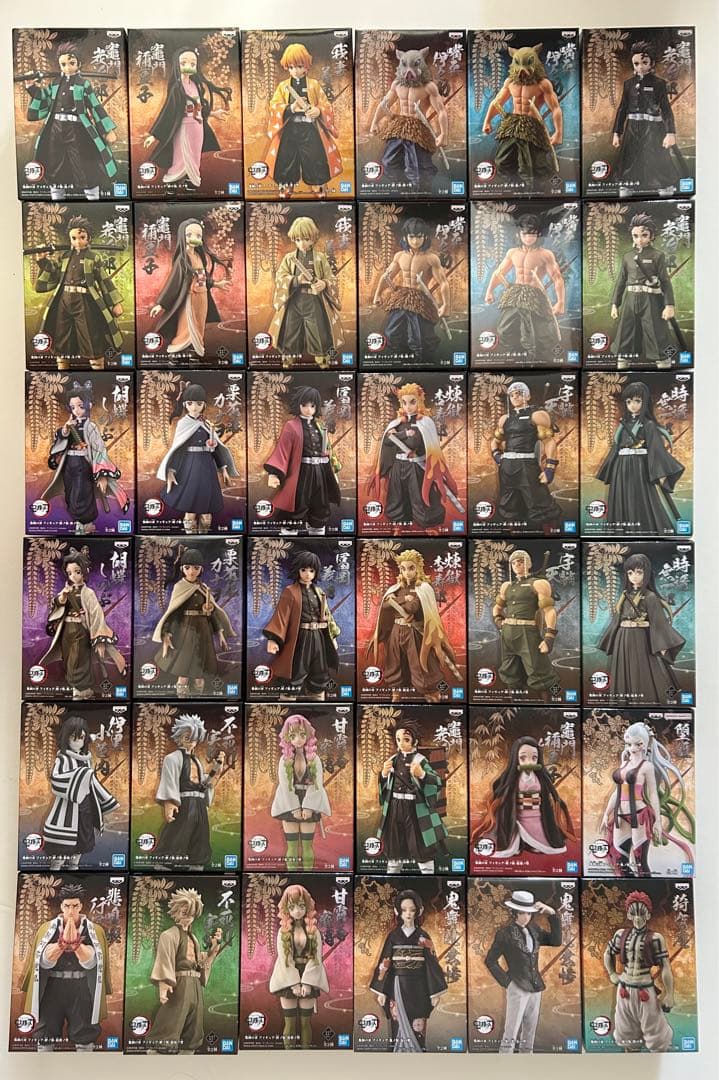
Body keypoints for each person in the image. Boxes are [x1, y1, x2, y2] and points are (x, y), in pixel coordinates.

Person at [20, 882, 112, 1051]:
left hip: (81, 987)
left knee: (84, 1032)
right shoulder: (47, 929)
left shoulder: (94, 930)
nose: (71, 911)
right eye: (67, 906)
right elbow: (43, 961)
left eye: (75, 906)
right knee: (45, 1032)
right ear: (62, 906)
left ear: (81, 906)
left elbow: (92, 962)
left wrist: (77, 945)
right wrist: (60, 945)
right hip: (52, 987)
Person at [25, 40, 118, 200]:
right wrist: (31, 86)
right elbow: (43, 97)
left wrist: (108, 130)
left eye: (71, 63)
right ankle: (56, 198)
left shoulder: (83, 84)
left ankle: (93, 198)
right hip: (55, 128)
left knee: (83, 164)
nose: (67, 68)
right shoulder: (55, 83)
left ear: (79, 64)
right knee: (54, 163)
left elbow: (95, 107)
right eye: (63, 64)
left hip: (77, 130)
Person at [600, 721, 694, 876]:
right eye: (629, 744)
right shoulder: (624, 764)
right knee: (619, 861)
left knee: (640, 862)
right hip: (620, 815)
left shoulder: (647, 767)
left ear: (645, 744)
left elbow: (652, 794)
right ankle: (628, 887)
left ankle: (646, 886)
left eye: (638, 744)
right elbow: (617, 792)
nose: (632, 748)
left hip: (640, 815)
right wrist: (606, 813)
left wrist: (657, 821)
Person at [34, 215, 124, 371]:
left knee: (90, 335)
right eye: (74, 238)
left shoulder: (93, 258)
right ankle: (63, 370)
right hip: (63, 300)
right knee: (61, 335)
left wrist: (115, 303)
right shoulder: (64, 256)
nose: (77, 242)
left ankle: (98, 371)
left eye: (82, 237)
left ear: (89, 238)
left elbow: (104, 280)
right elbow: (54, 273)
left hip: (85, 301)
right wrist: (42, 260)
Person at [368, 548, 459, 701]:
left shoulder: (424, 588)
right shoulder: (396, 588)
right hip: (396, 630)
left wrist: (396, 601)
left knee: (419, 662)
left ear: (418, 568)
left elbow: (412, 608)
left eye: (411, 568)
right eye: (403, 569)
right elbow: (385, 605)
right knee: (394, 662)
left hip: (414, 631)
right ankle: (396, 692)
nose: (407, 572)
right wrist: (402, 600)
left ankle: (430, 692)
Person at [366, 381, 460, 529]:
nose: (408, 406)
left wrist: (398, 435)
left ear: (419, 401)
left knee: (420, 497)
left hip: (416, 467)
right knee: (397, 497)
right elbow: (388, 442)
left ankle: (428, 524)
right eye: (404, 403)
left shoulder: (425, 422)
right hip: (398, 466)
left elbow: (414, 443)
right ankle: (398, 523)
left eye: (412, 402)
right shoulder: (397, 423)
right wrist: (403, 433)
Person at [41, 380, 129, 534]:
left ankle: (87, 523)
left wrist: (102, 475)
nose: (76, 410)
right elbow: (60, 441)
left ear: (88, 405)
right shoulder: (70, 424)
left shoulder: (91, 427)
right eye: (73, 407)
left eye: (80, 406)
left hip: (84, 464)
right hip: (69, 464)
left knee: (82, 494)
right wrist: (65, 430)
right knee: (70, 493)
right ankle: (78, 522)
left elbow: (100, 450)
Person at [597, 553, 685, 705]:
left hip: (641, 637)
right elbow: (617, 618)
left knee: (641, 670)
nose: (634, 576)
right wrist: (611, 638)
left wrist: (662, 645)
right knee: (623, 670)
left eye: (639, 572)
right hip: (622, 638)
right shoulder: (625, 595)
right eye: (630, 573)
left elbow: (658, 622)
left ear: (647, 573)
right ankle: (623, 702)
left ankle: (645, 701)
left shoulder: (650, 596)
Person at [596, 380, 684, 532]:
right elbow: (616, 447)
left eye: (637, 401)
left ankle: (646, 530)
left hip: (639, 467)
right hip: (621, 468)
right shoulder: (623, 424)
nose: (632, 405)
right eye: (629, 401)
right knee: (621, 498)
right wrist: (610, 468)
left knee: (639, 499)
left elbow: (656, 449)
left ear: (645, 402)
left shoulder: (648, 425)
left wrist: (661, 474)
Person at [39, 548, 126, 699]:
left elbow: (97, 615)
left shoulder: (88, 593)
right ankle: (78, 689)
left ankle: (82, 690)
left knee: (78, 660)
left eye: (77, 572)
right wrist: (62, 599)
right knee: (68, 660)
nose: (73, 576)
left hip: (81, 630)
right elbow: (56, 605)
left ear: (84, 572)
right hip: (66, 630)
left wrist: (99, 639)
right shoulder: (67, 590)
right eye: (69, 573)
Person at [472, 736, 575, 861]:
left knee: (542, 837)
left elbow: (550, 795)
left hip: (537, 815)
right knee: (510, 831)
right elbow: (502, 791)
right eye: (523, 758)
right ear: (516, 759)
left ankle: (533, 845)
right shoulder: (512, 778)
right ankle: (516, 846)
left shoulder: (541, 778)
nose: (529, 762)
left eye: (534, 758)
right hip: (517, 814)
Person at [370, 888, 448, 1052]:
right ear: (397, 911)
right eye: (404, 910)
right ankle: (398, 1053)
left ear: (419, 911)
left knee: (417, 1022)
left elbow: (432, 964)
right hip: (398, 984)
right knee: (398, 1020)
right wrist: (381, 991)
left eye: (412, 910)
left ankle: (418, 1051)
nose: (408, 914)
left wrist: (435, 992)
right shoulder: (393, 936)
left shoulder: (423, 936)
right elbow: (385, 962)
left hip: (419, 986)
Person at [151, 548, 236, 698]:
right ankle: (182, 699)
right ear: (182, 569)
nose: (191, 571)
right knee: (183, 672)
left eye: (196, 568)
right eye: (187, 567)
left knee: (199, 674)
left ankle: (197, 699)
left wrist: (220, 633)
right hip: (185, 632)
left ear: (201, 569)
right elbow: (173, 613)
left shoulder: (204, 588)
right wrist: (166, 633)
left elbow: (212, 614)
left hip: (203, 633)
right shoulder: (179, 587)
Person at [485, 889, 562, 1053]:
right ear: (514, 912)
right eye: (521, 913)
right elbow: (490, 960)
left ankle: (527, 1057)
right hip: (517, 986)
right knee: (512, 1029)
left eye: (528, 913)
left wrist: (552, 914)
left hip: (535, 986)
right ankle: (505, 1059)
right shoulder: (505, 933)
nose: (525, 917)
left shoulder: (534, 929)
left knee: (530, 1028)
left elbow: (556, 941)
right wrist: (507, 982)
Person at [157, 382, 239, 535]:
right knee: (190, 511)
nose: (194, 407)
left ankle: (204, 538)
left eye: (198, 404)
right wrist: (171, 470)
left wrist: (223, 469)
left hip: (207, 468)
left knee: (207, 514)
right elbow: (178, 450)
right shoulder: (183, 423)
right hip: (189, 468)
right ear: (185, 404)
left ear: (204, 405)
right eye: (190, 403)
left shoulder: (207, 424)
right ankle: (190, 539)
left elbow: (216, 449)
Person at [142, 46, 230, 188]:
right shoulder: (177, 88)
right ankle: (172, 180)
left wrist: (213, 113)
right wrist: (154, 135)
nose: (188, 66)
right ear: (177, 65)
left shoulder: (196, 85)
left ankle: (192, 180)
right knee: (180, 154)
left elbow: (199, 107)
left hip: (198, 127)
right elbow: (168, 111)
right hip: (183, 126)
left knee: (195, 154)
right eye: (183, 63)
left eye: (192, 63)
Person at [149, 887, 224, 1053]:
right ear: (176, 912)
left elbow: (199, 961)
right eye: (184, 913)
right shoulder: (168, 935)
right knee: (172, 1019)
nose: (188, 917)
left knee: (194, 1024)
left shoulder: (193, 938)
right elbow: (164, 960)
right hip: (179, 984)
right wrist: (163, 984)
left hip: (194, 984)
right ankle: (160, 1050)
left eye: (192, 914)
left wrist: (213, 950)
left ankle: (188, 1051)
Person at [266, 42, 343, 198]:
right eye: (291, 67)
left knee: (315, 157)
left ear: (306, 66)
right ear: (287, 67)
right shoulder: (283, 86)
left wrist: (318, 110)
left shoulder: (314, 85)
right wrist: (290, 108)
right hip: (289, 129)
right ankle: (286, 186)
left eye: (299, 66)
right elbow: (274, 106)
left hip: (310, 129)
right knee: (286, 158)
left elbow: (326, 105)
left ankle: (318, 185)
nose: (295, 70)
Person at [484, 214, 564, 363]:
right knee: (504, 329)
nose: (528, 238)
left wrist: (560, 302)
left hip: (535, 296)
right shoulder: (512, 252)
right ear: (519, 234)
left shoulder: (545, 254)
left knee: (537, 333)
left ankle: (535, 359)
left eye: (532, 234)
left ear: (538, 234)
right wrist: (489, 291)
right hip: (515, 294)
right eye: (525, 234)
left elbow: (557, 277)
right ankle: (516, 356)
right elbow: (499, 272)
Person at [42, 714, 118, 871]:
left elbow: (93, 782)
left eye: (82, 738)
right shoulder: (62, 758)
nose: (78, 741)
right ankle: (55, 872)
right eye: (74, 737)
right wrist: (80, 775)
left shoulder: (86, 759)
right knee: (59, 853)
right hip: (66, 809)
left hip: (85, 809)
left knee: (80, 846)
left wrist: (107, 801)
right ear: (66, 738)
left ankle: (74, 869)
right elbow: (56, 780)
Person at [262, 549, 340, 700]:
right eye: (303, 570)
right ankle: (287, 700)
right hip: (300, 637)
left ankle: (317, 699)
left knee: (319, 669)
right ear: (298, 570)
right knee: (296, 669)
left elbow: (327, 616)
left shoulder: (319, 591)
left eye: (311, 570)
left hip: (318, 637)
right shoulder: (290, 591)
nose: (307, 574)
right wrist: (273, 638)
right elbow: (281, 615)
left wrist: (333, 636)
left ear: (316, 572)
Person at [481, 43, 562, 186]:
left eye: (527, 65)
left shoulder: (543, 84)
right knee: (502, 161)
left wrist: (558, 133)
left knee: (531, 165)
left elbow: (555, 108)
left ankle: (538, 188)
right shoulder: (510, 82)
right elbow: (497, 102)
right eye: (519, 65)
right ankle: (515, 186)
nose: (522, 71)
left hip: (532, 127)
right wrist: (487, 121)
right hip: (512, 125)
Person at [148, 219, 231, 358]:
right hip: (189, 297)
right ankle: (178, 349)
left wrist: (216, 284)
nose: (194, 238)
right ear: (183, 236)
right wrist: (161, 304)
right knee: (187, 324)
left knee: (199, 324)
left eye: (198, 236)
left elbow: (202, 277)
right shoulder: (183, 259)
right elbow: (174, 282)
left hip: (202, 297)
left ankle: (194, 350)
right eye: (189, 235)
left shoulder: (198, 256)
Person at [154, 714, 228, 869]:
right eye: (187, 736)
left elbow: (203, 783)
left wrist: (216, 769)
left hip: (199, 804)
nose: (191, 741)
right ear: (179, 736)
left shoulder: (196, 761)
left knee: (200, 834)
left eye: (194, 737)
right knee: (178, 833)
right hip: (184, 803)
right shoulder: (172, 758)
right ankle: (165, 864)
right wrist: (169, 802)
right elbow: (169, 781)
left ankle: (196, 864)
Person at [264, 385, 341, 534]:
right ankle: (290, 533)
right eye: (304, 405)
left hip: (320, 471)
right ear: (298, 405)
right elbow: (282, 450)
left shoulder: (320, 426)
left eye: (312, 406)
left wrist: (333, 470)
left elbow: (328, 451)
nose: (308, 409)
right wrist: (273, 474)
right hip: (301, 472)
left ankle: (317, 531)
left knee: (321, 503)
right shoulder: (291, 426)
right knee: (298, 502)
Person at [604, 890, 674, 1052]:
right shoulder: (621, 935)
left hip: (645, 990)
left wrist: (670, 994)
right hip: (624, 989)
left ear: (648, 915)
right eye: (634, 913)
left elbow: (665, 966)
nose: (637, 918)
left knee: (656, 1031)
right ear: (629, 915)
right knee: (626, 1031)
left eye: (641, 913)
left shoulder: (656, 938)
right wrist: (612, 973)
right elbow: (608, 953)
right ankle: (631, 1057)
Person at [368, 47, 448, 190]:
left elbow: (441, 111)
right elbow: (385, 104)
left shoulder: (429, 87)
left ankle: (420, 192)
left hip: (417, 129)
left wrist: (444, 134)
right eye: (405, 66)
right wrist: (375, 122)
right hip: (399, 127)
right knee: (388, 163)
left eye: (414, 65)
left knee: (417, 168)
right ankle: (404, 189)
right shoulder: (397, 85)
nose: (409, 71)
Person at [373, 217, 449, 363]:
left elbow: (443, 283)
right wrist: (377, 294)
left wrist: (446, 305)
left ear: (425, 237)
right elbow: (386, 276)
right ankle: (399, 362)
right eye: (412, 237)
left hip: (420, 300)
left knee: (419, 338)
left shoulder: (431, 258)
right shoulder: (400, 256)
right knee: (391, 333)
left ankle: (422, 363)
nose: (415, 241)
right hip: (401, 298)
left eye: (419, 236)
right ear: (405, 237)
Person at [268, 217, 343, 367]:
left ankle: (322, 357)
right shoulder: (289, 258)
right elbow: (280, 278)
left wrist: (324, 283)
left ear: (313, 239)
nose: (302, 243)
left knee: (318, 330)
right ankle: (289, 357)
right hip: (293, 301)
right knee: (290, 330)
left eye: (306, 239)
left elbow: (331, 278)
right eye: (298, 239)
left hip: (314, 301)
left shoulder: (320, 258)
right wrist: (296, 280)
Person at [376, 722, 448, 874]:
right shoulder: (393, 760)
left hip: (415, 808)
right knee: (394, 845)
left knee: (420, 845)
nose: (401, 743)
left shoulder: (421, 760)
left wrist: (422, 774)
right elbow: (385, 787)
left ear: (414, 741)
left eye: (406, 739)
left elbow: (437, 782)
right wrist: (383, 774)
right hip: (394, 806)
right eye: (398, 739)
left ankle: (428, 877)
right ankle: (392, 879)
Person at [610, 214, 680, 369]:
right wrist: (615, 304)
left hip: (651, 300)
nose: (639, 239)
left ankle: (663, 360)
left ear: (651, 236)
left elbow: (665, 282)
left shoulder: (657, 255)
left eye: (644, 235)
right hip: (630, 299)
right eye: (635, 236)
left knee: (655, 330)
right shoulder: (627, 256)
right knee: (626, 329)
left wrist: (669, 305)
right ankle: (623, 358)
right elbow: (621, 281)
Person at [612, 40, 680, 196]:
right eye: (636, 64)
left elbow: (666, 109)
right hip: (632, 127)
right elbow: (622, 108)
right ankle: (627, 185)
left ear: (652, 63)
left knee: (655, 155)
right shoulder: (628, 84)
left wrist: (670, 133)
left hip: (653, 128)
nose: (640, 67)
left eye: (644, 63)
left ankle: (664, 185)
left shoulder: (659, 84)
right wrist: (617, 132)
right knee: (630, 156)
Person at [491, 381, 562, 528]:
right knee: (508, 507)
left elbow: (549, 442)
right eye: (512, 395)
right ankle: (515, 535)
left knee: (540, 506)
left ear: (527, 396)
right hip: (507, 467)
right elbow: (495, 442)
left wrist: (550, 468)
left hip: (526, 466)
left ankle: (546, 536)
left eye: (519, 393)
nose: (515, 397)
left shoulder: (537, 415)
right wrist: (498, 457)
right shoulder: (505, 419)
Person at [269, 884, 329, 1049]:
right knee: (289, 1022)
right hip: (287, 978)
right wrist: (294, 982)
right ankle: (289, 1055)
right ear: (286, 908)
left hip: (308, 975)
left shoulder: (313, 931)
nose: (297, 911)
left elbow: (316, 958)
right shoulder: (283, 931)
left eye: (301, 906)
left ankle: (305, 1054)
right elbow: (284, 959)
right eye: (292, 907)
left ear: (307, 907)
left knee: (305, 1022)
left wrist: (308, 982)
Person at [492, 550, 557, 696]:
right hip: (507, 633)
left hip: (527, 632)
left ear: (528, 564)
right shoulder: (506, 586)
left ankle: (548, 706)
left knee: (539, 672)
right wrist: (499, 621)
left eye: (520, 562)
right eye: (514, 563)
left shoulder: (538, 583)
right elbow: (497, 608)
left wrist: (549, 637)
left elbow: (549, 611)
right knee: (509, 672)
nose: (516, 565)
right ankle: (515, 704)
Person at [270, 714, 331, 870]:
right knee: (291, 846)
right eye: (293, 736)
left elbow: (317, 784)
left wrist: (309, 807)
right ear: (287, 737)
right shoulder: (284, 760)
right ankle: (292, 876)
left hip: (309, 801)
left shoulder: (314, 759)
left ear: (308, 735)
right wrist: (294, 808)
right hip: (289, 802)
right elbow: (285, 785)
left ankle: (308, 875)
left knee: (307, 845)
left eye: (302, 735)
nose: (298, 739)